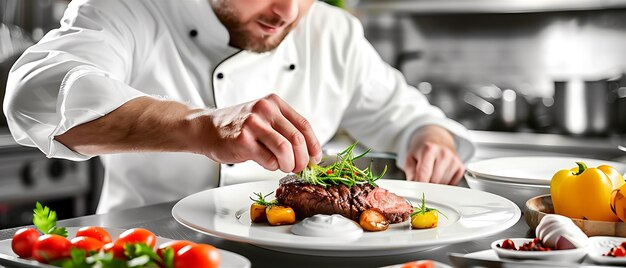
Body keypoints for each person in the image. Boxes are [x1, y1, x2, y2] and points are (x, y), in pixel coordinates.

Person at [4, 0, 475, 213]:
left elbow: (410, 115)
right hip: (152, 249)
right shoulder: (131, 8)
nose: (286, 13)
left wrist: (429, 141)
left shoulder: (333, 32)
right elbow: (34, 93)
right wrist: (201, 127)